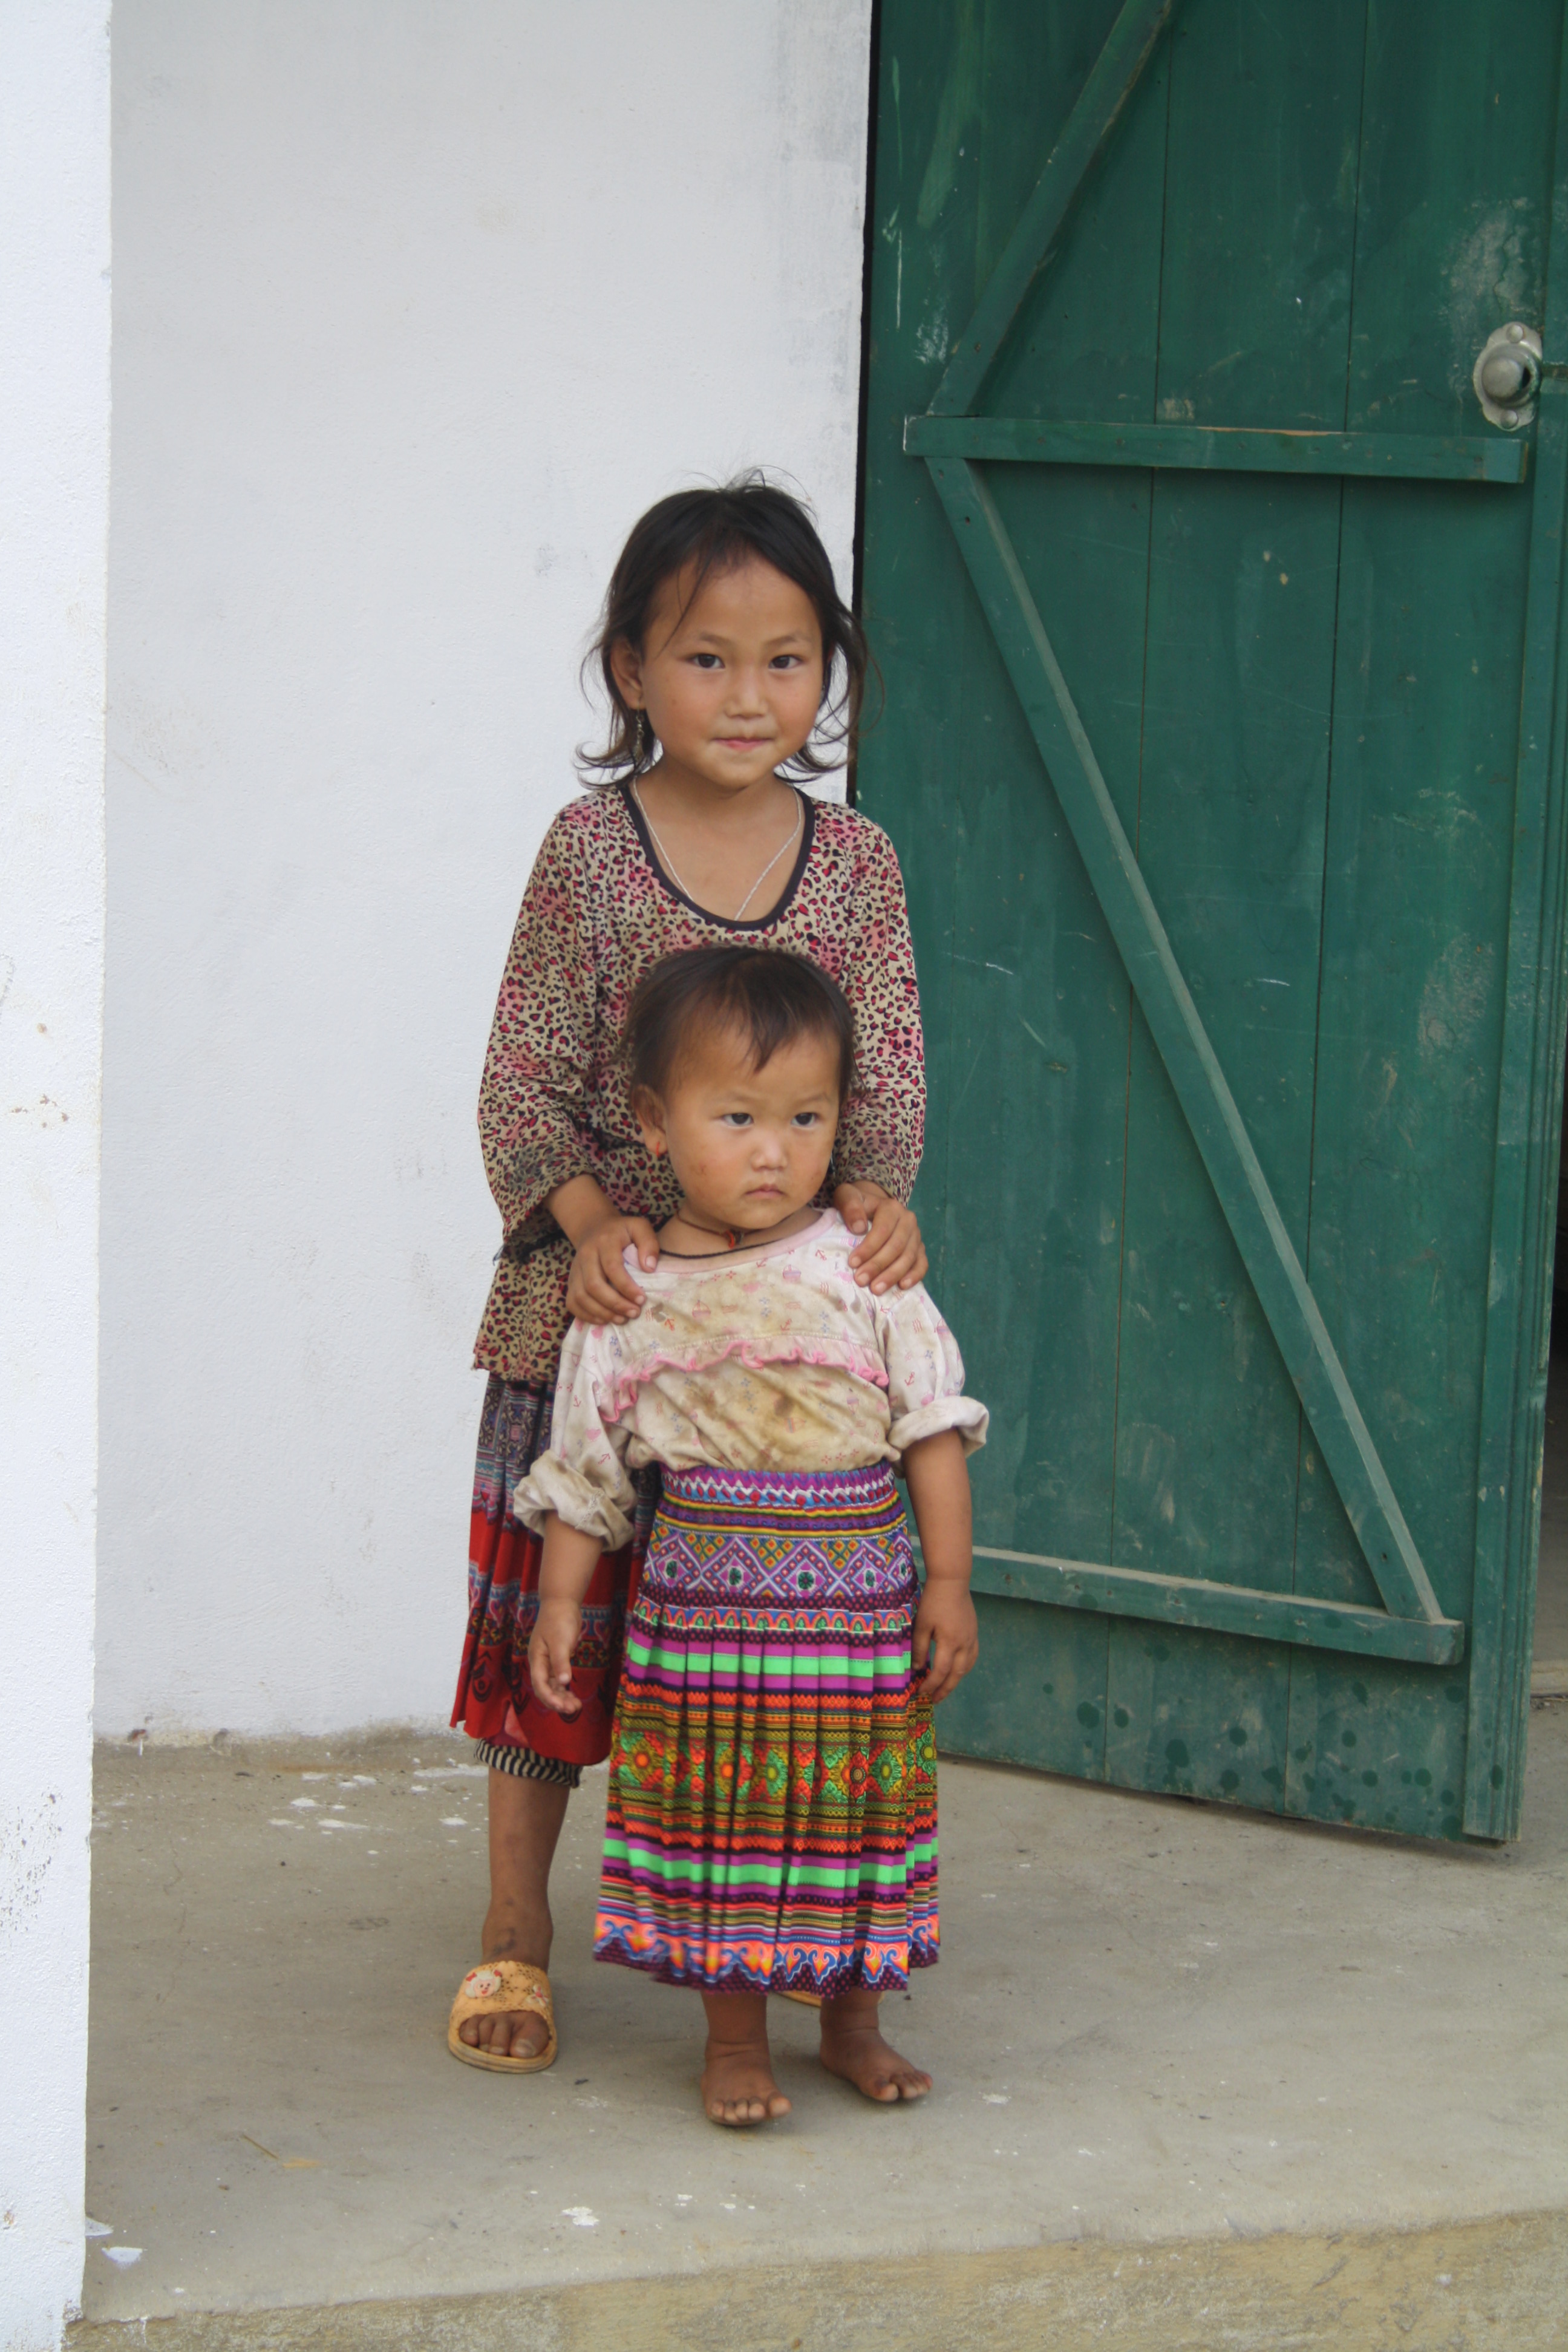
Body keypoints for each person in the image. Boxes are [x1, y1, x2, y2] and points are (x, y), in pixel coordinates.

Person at [447, 478, 931, 2073]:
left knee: (776, 1667)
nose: (747, 695)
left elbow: (890, 1080)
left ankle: (786, 1939)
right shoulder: (590, 854)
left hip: (785, 1344)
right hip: (598, 1318)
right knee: (552, 1631)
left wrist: (872, 1205)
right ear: (631, 670)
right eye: (706, 658)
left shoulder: (856, 861)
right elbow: (521, 1082)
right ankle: (514, 1932)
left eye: (786, 660)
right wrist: (594, 1224)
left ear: (828, 669)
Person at [523, 946, 984, 2125]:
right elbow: (588, 1472)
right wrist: (563, 1604)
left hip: (857, 1619)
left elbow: (931, 1428)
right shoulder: (631, 1296)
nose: (774, 1150)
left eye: (805, 1118)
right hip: (703, 1624)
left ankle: (852, 2026)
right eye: (737, 1118)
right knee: (717, 1824)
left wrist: (947, 1582)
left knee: (850, 1819)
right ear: (655, 1122)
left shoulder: (864, 1269)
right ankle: (733, 2046)